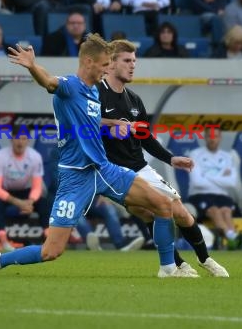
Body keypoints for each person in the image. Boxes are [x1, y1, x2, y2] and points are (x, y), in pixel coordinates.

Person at [0, 34, 182, 278]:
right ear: (88, 62)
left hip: (103, 169)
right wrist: (32, 66)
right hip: (75, 177)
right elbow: (49, 82)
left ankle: (168, 269)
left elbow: (91, 121)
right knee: (51, 251)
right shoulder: (69, 86)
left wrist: (114, 124)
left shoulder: (93, 93)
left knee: (164, 205)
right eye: (103, 65)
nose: (106, 70)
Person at [98, 39, 229, 276]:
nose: (132, 65)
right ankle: (176, 265)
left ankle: (202, 260)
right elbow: (81, 125)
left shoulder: (134, 100)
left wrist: (171, 159)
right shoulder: (96, 94)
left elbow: (145, 137)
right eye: (127, 60)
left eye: (134, 61)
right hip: (112, 171)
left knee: (179, 212)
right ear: (111, 63)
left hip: (139, 166)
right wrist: (108, 128)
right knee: (153, 210)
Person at [0, 126, 50, 252]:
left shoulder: (35, 157)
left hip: (23, 192)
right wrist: (19, 203)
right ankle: (4, 241)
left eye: (24, 139)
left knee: (43, 202)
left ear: (28, 140)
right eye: (17, 138)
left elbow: (37, 187)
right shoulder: (1, 156)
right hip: (1, 191)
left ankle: (48, 238)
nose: (20, 142)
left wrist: (29, 202)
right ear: (11, 139)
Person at [188, 127, 240, 250]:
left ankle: (230, 240)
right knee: (214, 210)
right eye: (210, 136)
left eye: (215, 136)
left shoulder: (227, 156)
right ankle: (232, 238)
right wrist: (221, 176)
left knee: (226, 211)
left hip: (221, 195)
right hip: (200, 194)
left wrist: (206, 176)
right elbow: (197, 182)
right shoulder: (195, 154)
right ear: (205, 138)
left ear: (220, 138)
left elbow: (232, 183)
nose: (212, 139)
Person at [76, 196, 144, 251]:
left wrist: (103, 195)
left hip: (93, 199)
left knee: (109, 209)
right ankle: (92, 245)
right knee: (75, 213)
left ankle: (121, 246)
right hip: (75, 201)